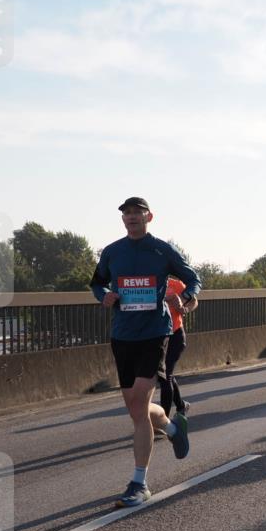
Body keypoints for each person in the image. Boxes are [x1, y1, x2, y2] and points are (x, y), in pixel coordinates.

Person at [90, 197, 201, 507]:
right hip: (122, 335)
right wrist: (104, 295)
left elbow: (193, 278)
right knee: (137, 409)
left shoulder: (162, 250)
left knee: (139, 404)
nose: (131, 218)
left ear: (149, 216)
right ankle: (171, 426)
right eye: (126, 214)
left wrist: (187, 296)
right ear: (122, 220)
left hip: (155, 333)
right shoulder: (113, 251)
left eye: (137, 213)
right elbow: (97, 283)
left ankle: (139, 483)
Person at [158, 274, 192, 419]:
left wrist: (184, 309)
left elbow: (193, 301)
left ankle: (163, 419)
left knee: (166, 376)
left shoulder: (176, 285)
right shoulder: (148, 285)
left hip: (176, 335)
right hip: (158, 336)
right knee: (166, 376)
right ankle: (181, 405)